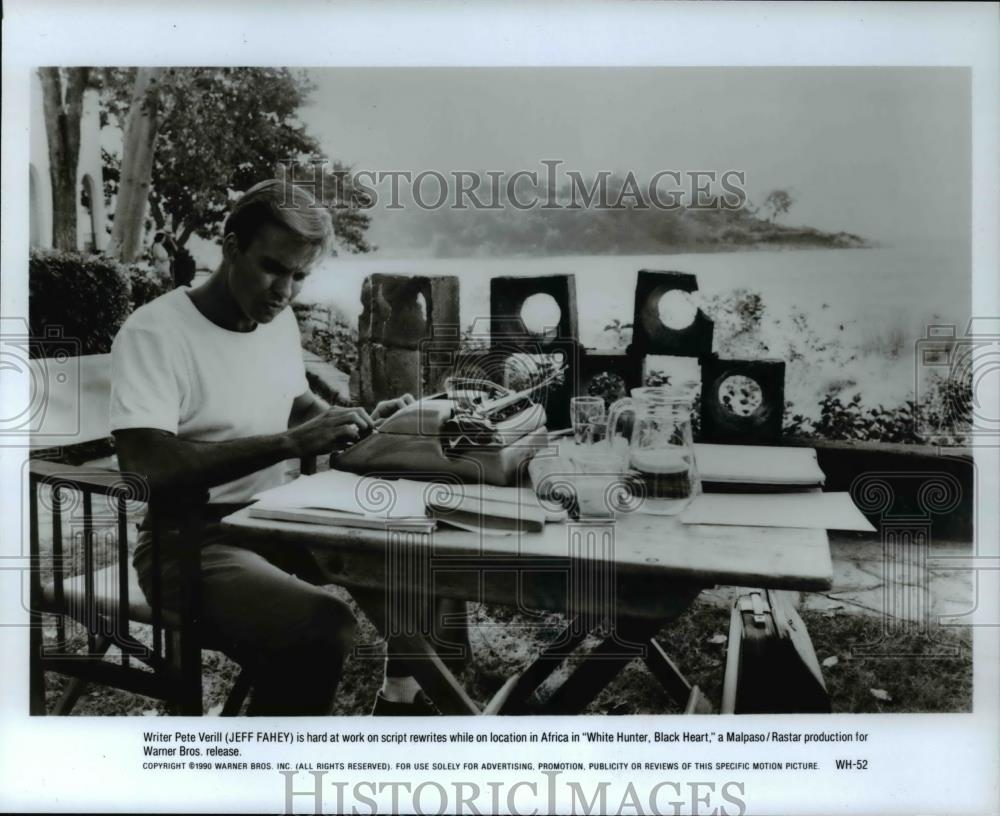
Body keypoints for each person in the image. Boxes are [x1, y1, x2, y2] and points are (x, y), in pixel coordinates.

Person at [110, 179, 416, 715]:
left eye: (300, 276)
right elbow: (148, 468)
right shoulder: (155, 332)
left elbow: (297, 405)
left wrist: (366, 426)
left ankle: (402, 703)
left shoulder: (275, 322)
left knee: (420, 553)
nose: (285, 290)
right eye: (273, 268)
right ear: (230, 247)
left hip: (278, 519)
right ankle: (266, 779)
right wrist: (288, 444)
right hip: (187, 542)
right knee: (322, 626)